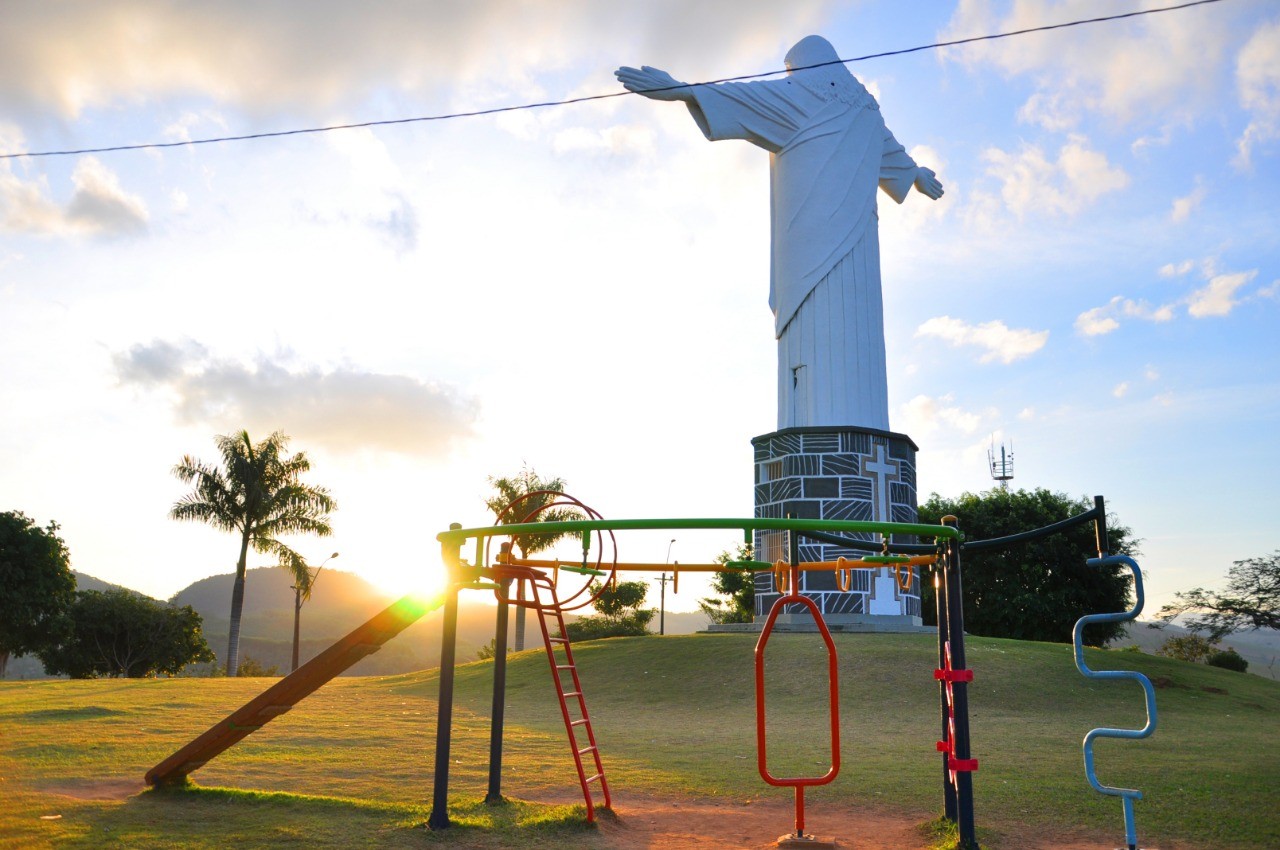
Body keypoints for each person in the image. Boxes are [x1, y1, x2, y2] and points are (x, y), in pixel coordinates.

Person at [617, 36, 943, 430]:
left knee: (829, 341)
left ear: (799, 67)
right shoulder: (865, 106)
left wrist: (683, 91)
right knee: (825, 340)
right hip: (848, 249)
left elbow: (745, 97)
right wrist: (918, 174)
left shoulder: (803, 93)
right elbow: (894, 157)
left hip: (814, 245)